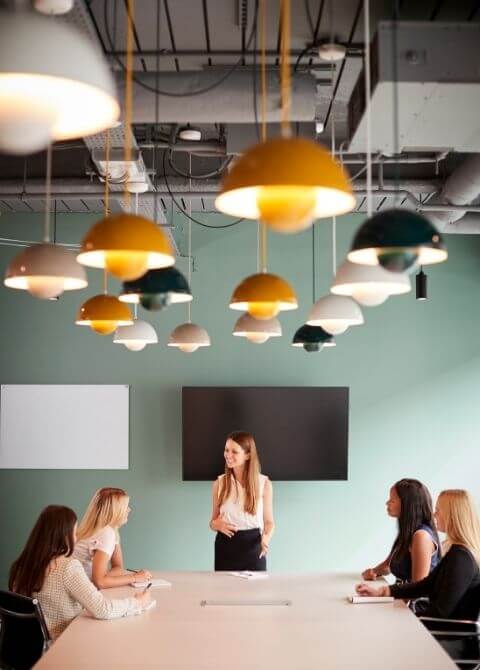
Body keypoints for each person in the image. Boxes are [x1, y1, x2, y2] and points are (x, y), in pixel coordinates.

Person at [8, 505, 151, 640]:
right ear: (64, 536)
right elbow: (103, 609)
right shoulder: (68, 567)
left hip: (26, 645)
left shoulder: (21, 565)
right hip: (61, 644)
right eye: (75, 532)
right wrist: (137, 601)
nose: (76, 538)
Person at [356, 489, 480, 620]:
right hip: (438, 628)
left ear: (451, 515)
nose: (434, 514)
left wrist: (404, 619)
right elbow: (425, 585)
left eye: (438, 510)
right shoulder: (457, 552)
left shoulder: (461, 558)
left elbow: (440, 612)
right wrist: (382, 591)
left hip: (446, 635)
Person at [210, 431, 274, 571]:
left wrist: (265, 539)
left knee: (256, 592)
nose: (228, 455)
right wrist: (216, 524)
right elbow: (213, 522)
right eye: (226, 450)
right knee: (225, 592)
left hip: (254, 547)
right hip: (225, 547)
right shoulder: (219, 484)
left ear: (248, 455)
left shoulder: (264, 484)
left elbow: (269, 522)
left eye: (234, 451)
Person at [362, 478, 440, 583]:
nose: (387, 503)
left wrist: (384, 593)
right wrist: (374, 571)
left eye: (392, 500)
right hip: (401, 596)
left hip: (411, 598)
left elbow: (417, 588)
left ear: (407, 505)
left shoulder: (421, 536)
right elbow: (387, 566)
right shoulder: (407, 533)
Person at [74, 487, 151, 588]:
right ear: (115, 510)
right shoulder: (106, 533)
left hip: (80, 587)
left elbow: (118, 567)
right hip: (80, 591)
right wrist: (135, 577)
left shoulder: (106, 530)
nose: (129, 509)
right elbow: (100, 582)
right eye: (126, 506)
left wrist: (104, 578)